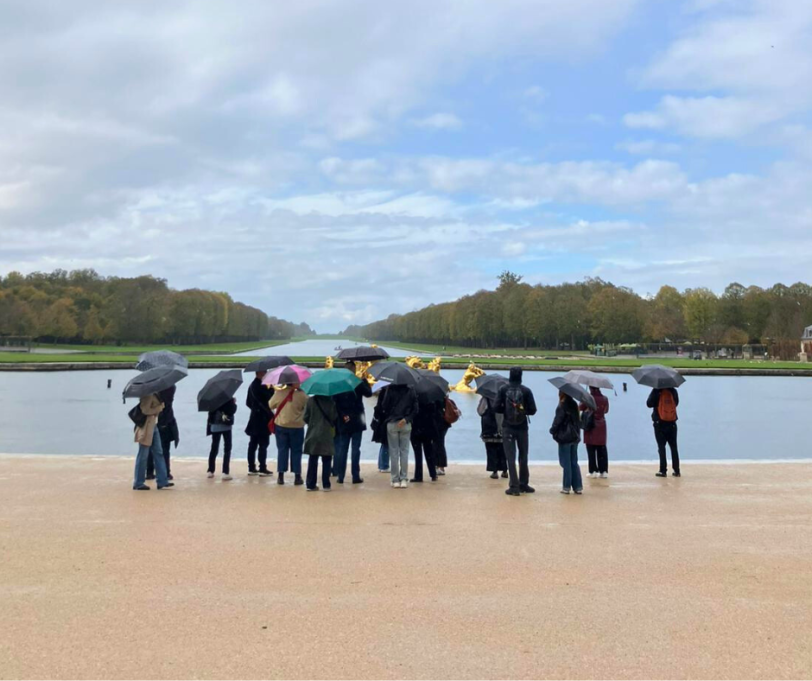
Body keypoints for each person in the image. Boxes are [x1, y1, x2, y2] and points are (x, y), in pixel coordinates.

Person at [494, 367, 537, 496]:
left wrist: (505, 410)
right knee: (523, 456)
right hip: (522, 427)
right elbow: (533, 410)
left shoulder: (503, 389)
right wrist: (522, 410)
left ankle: (514, 486)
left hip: (507, 426)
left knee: (510, 457)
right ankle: (524, 483)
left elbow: (496, 407)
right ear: (521, 377)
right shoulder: (526, 391)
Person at [333, 362, 373, 484]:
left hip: (344, 419)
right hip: (357, 419)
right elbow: (369, 393)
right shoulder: (358, 382)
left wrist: (343, 415)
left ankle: (340, 476)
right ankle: (355, 476)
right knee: (356, 449)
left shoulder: (338, 384)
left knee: (343, 448)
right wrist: (365, 380)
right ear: (354, 370)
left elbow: (335, 403)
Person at [380, 383, 419, 488]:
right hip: (405, 423)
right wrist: (407, 418)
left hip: (392, 422)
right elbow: (416, 408)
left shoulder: (390, 388)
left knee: (393, 452)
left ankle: (395, 479)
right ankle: (404, 478)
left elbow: (384, 405)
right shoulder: (411, 389)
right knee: (404, 452)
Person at [269, 382, 308, 485]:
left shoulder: (279, 393)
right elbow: (308, 407)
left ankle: (281, 476)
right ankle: (297, 476)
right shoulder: (302, 395)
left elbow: (270, 405)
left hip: (281, 425)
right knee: (296, 451)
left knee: (282, 450)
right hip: (297, 426)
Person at [132, 393, 173, 491]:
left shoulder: (156, 394)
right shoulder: (148, 394)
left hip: (154, 426)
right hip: (146, 427)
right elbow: (145, 410)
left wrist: (160, 407)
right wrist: (158, 408)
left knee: (159, 452)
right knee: (143, 455)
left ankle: (162, 481)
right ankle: (138, 482)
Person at [304, 394, 338, 492]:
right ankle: (326, 484)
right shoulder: (331, 402)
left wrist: (312, 422)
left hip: (313, 432)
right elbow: (334, 417)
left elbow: (305, 417)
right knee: (327, 459)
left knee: (313, 459)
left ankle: (310, 484)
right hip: (326, 433)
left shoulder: (310, 401)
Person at [550, 392, 583, 495]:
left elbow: (558, 421)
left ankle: (566, 486)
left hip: (565, 437)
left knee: (565, 463)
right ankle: (578, 487)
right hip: (575, 436)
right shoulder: (574, 404)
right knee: (574, 462)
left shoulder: (562, 406)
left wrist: (552, 430)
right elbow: (578, 421)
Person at [146, 385, 178, 481]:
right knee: (164, 449)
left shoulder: (152, 389)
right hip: (165, 422)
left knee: (151, 447)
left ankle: (150, 472)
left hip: (154, 421)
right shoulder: (170, 387)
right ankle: (166, 472)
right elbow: (167, 405)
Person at [647, 387, 680, 477]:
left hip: (659, 423)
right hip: (672, 423)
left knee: (661, 447)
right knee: (674, 447)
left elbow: (649, 404)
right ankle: (676, 470)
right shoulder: (673, 391)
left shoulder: (656, 390)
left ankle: (663, 470)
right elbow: (676, 403)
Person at [245, 371, 274, 477]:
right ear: (260, 373)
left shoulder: (251, 386)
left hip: (254, 418)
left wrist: (255, 408)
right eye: (265, 373)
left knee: (253, 444)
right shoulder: (262, 386)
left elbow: (248, 402)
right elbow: (270, 400)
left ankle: (251, 467)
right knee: (263, 444)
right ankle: (262, 467)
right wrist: (272, 388)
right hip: (263, 419)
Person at [409, 397, 442, 483]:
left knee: (418, 454)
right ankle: (433, 474)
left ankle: (418, 475)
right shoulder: (431, 399)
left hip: (416, 428)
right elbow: (436, 412)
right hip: (428, 428)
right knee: (429, 452)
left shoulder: (413, 398)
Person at [580, 386, 609, 478]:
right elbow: (606, 411)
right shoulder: (605, 398)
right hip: (602, 425)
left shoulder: (588, 398)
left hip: (591, 425)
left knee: (591, 448)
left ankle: (593, 470)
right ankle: (603, 471)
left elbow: (580, 407)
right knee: (602, 448)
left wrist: (583, 398)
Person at [207, 397, 237, 480]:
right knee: (227, 449)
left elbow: (210, 412)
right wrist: (234, 403)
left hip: (214, 425)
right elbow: (232, 410)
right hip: (226, 426)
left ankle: (210, 470)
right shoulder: (228, 398)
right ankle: (225, 472)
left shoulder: (212, 398)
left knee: (214, 448)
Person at [478, 395, 507, 479]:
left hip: (489, 430)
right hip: (503, 429)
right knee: (503, 451)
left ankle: (494, 472)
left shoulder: (486, 398)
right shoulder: (504, 398)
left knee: (491, 450)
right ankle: (505, 471)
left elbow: (480, 411)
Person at [371, 384, 390, 472]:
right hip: (385, 420)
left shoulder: (382, 391)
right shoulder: (387, 393)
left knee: (384, 443)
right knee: (386, 443)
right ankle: (384, 465)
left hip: (381, 421)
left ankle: (381, 464)